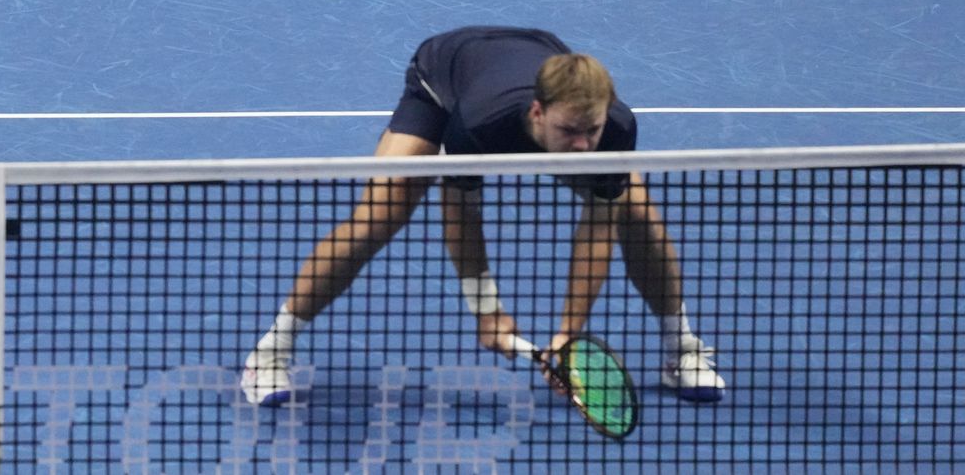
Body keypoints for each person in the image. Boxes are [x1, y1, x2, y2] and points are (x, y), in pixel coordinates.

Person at [239, 25, 726, 406]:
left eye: (591, 130)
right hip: (445, 72)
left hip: (532, 48)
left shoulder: (615, 129)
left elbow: (597, 232)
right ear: (538, 113)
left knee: (635, 212)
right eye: (570, 131)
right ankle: (270, 352)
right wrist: (487, 310)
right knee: (381, 213)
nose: (583, 145)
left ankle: (681, 348)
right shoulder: (480, 123)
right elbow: (461, 213)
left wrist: (568, 336)